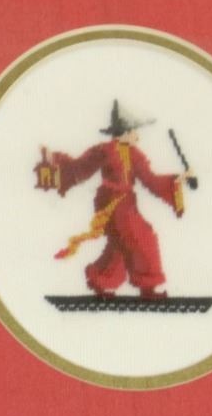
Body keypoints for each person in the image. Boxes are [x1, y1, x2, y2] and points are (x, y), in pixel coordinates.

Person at [47, 100, 192, 299]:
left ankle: (100, 280)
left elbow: (150, 180)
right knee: (142, 236)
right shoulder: (104, 150)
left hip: (127, 202)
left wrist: (178, 179)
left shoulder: (135, 155)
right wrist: (57, 165)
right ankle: (147, 287)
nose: (137, 136)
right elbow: (81, 168)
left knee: (120, 243)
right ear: (125, 132)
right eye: (134, 132)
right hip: (111, 202)